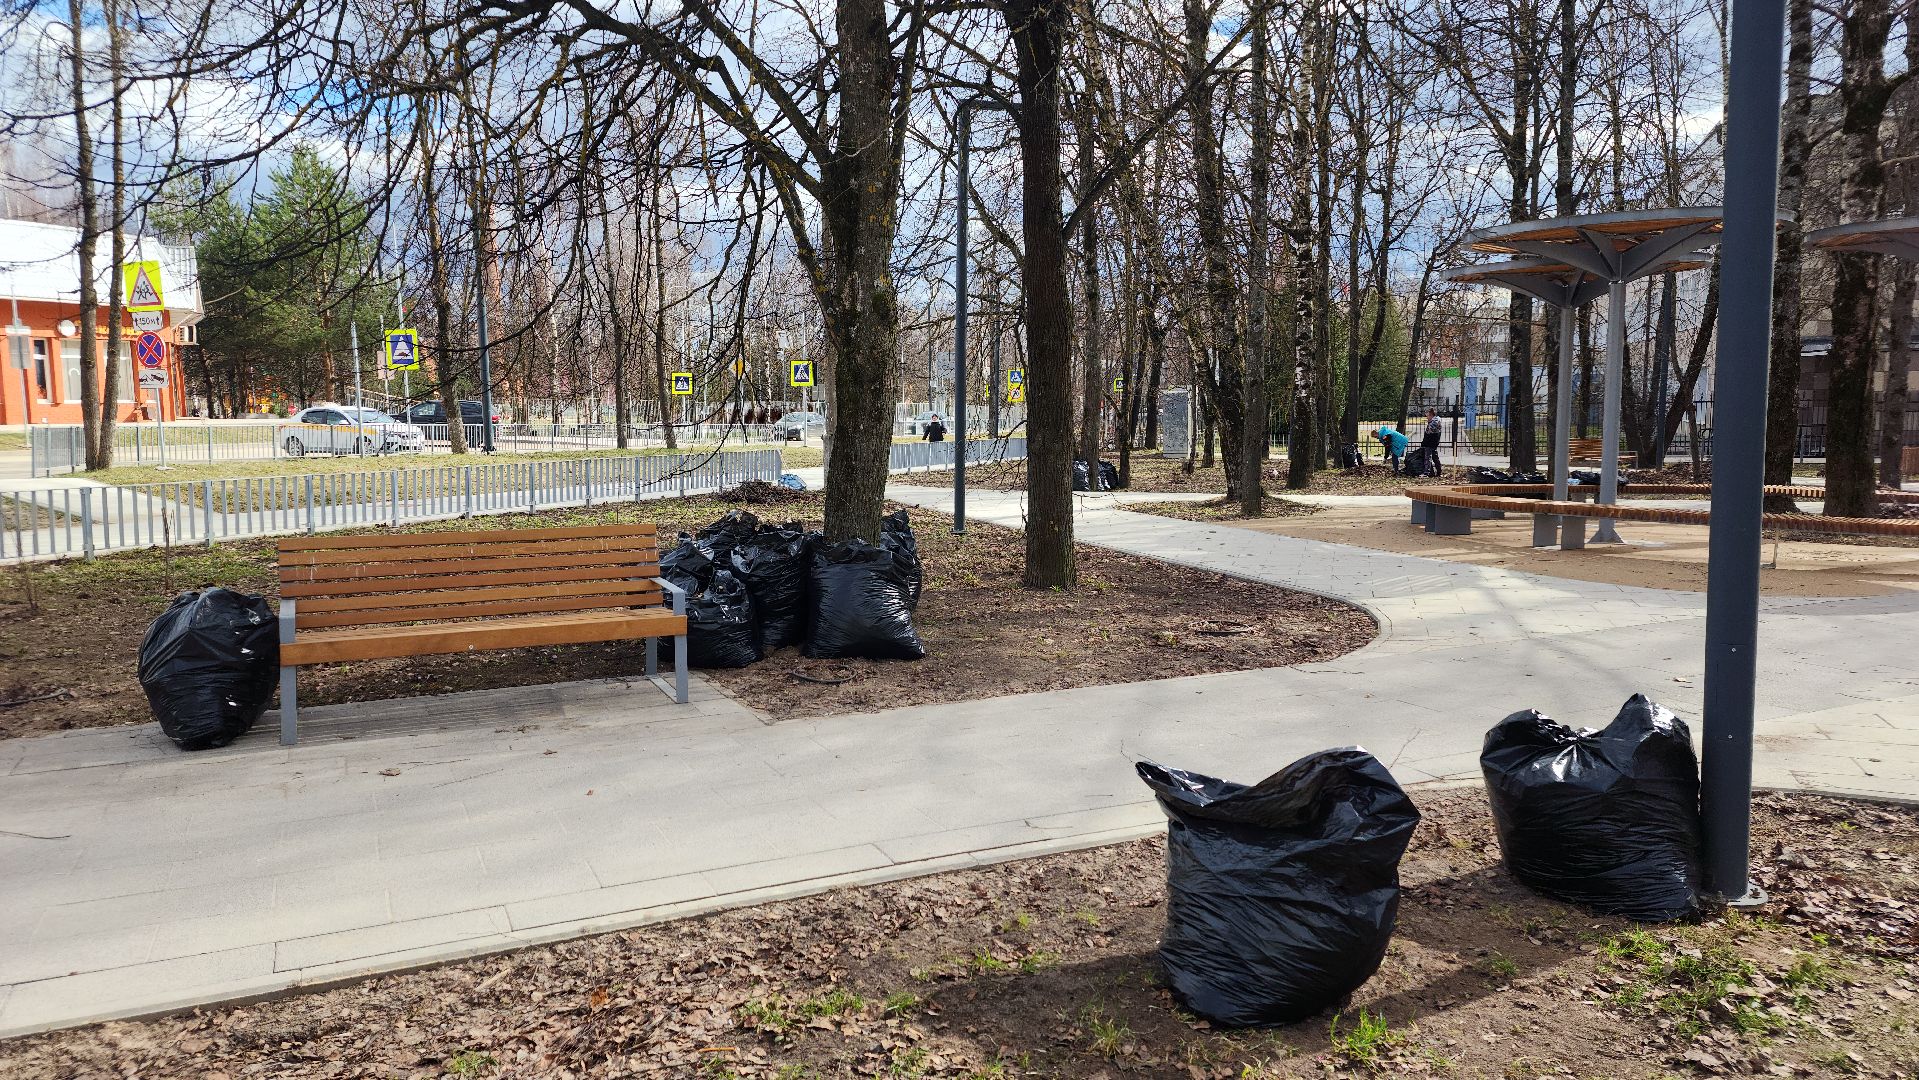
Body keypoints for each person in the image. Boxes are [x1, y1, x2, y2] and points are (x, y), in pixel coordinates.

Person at [1418, 409, 1445, 477]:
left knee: (1427, 458)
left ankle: (1427, 473)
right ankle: (1438, 472)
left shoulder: (1432, 423)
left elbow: (1428, 434)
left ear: (1431, 415)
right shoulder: (1437, 421)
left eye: (1427, 415)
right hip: (1434, 442)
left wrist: (1423, 443)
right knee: (1435, 457)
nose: (1427, 417)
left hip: (1429, 443)